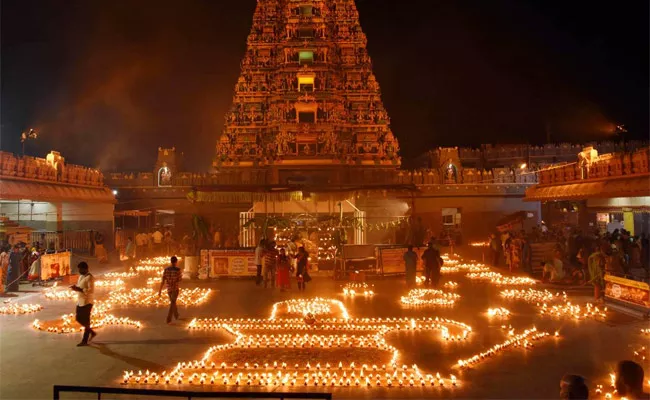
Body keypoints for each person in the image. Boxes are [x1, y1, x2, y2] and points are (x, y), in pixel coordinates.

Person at [69, 261, 96, 346]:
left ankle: (85, 340)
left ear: (86, 269)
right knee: (78, 318)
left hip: (87, 302)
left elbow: (91, 290)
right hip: (80, 301)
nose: (79, 271)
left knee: (86, 321)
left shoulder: (90, 278)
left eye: (81, 269)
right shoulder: (81, 276)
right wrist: (76, 288)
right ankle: (91, 332)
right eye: (79, 269)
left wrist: (79, 290)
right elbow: (80, 286)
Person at [158, 256, 182, 324]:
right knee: (172, 303)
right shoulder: (178, 270)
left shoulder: (166, 270)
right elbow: (179, 279)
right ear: (176, 262)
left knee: (173, 302)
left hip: (169, 289)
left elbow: (163, 280)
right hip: (175, 289)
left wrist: (159, 290)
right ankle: (169, 318)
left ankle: (176, 315)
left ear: (171, 261)